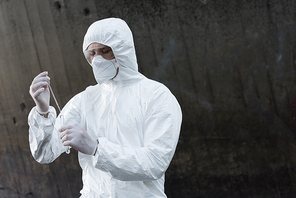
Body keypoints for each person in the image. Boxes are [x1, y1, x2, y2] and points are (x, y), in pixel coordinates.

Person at [28, 18, 182, 197]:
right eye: (92, 53)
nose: (97, 59)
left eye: (105, 50)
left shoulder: (156, 96)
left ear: (122, 49)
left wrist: (96, 149)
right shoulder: (85, 100)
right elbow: (45, 153)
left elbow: (155, 162)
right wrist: (43, 111)